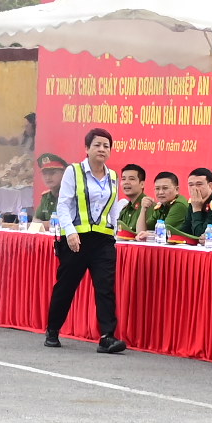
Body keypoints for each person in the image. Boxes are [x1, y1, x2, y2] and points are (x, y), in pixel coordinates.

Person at [42, 126, 124, 353]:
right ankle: (53, 329)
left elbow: (113, 208)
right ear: (87, 149)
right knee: (66, 286)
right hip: (76, 240)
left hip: (103, 241)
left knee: (105, 288)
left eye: (106, 146)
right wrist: (70, 232)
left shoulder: (113, 177)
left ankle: (107, 336)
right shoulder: (74, 172)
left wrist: (114, 233)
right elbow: (64, 204)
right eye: (97, 145)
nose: (102, 149)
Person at [184, 167, 212, 240]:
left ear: (210, 185)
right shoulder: (194, 201)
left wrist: (196, 209)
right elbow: (186, 228)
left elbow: (200, 236)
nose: (194, 188)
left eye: (199, 184)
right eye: (191, 185)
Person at [145, 172, 194, 240]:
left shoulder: (179, 205)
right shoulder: (161, 205)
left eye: (165, 188)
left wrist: (147, 235)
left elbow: (163, 232)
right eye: (157, 188)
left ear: (176, 190)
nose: (160, 192)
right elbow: (144, 228)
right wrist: (143, 209)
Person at [30, 152, 68, 225]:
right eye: (44, 174)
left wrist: (40, 224)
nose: (47, 178)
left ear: (64, 173)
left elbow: (63, 224)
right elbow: (36, 219)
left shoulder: (70, 195)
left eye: (52, 173)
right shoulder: (46, 197)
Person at [113, 163, 150, 237]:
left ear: (142, 184)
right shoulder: (124, 209)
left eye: (131, 179)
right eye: (123, 179)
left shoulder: (148, 206)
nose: (126, 182)